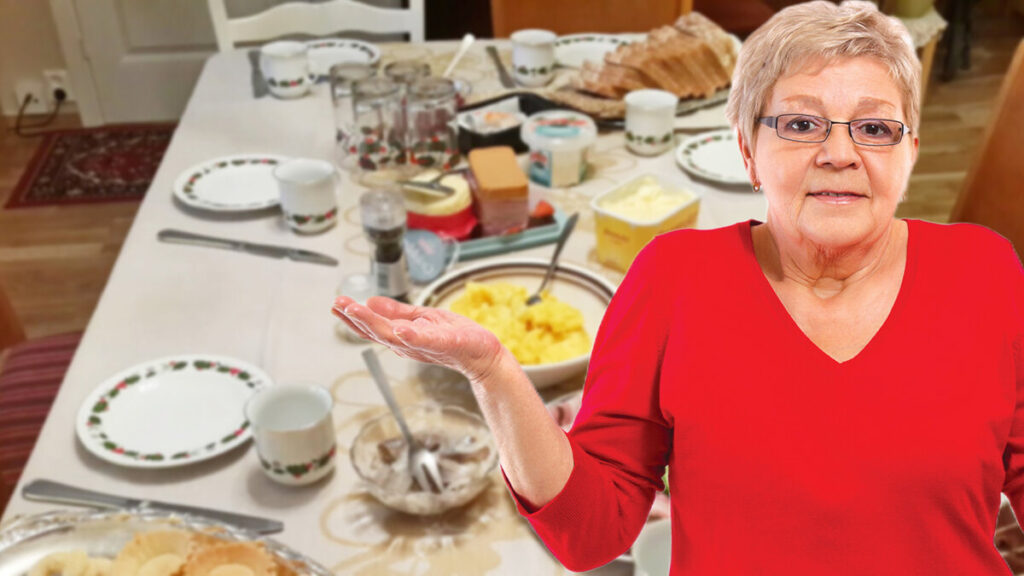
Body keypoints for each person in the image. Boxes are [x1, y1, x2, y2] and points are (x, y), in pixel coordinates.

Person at [333, 1, 1024, 572]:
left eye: (874, 127)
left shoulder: (986, 273)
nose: (839, 152)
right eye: (800, 123)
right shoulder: (675, 278)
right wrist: (493, 373)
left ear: (910, 152)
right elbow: (590, 532)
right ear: (749, 150)